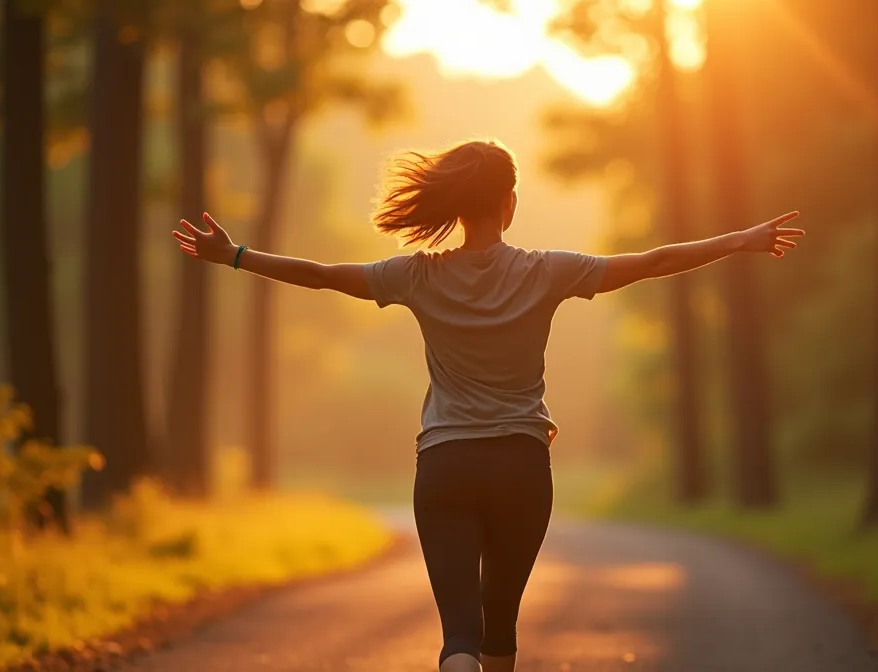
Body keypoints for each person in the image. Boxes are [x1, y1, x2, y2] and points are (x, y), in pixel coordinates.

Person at [170, 138, 804, 672]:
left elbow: (324, 274)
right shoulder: (548, 270)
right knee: (501, 621)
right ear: (510, 204)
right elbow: (653, 260)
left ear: (455, 206)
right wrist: (741, 239)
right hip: (522, 467)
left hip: (445, 467)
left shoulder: (416, 276)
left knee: (460, 636)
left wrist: (236, 256)